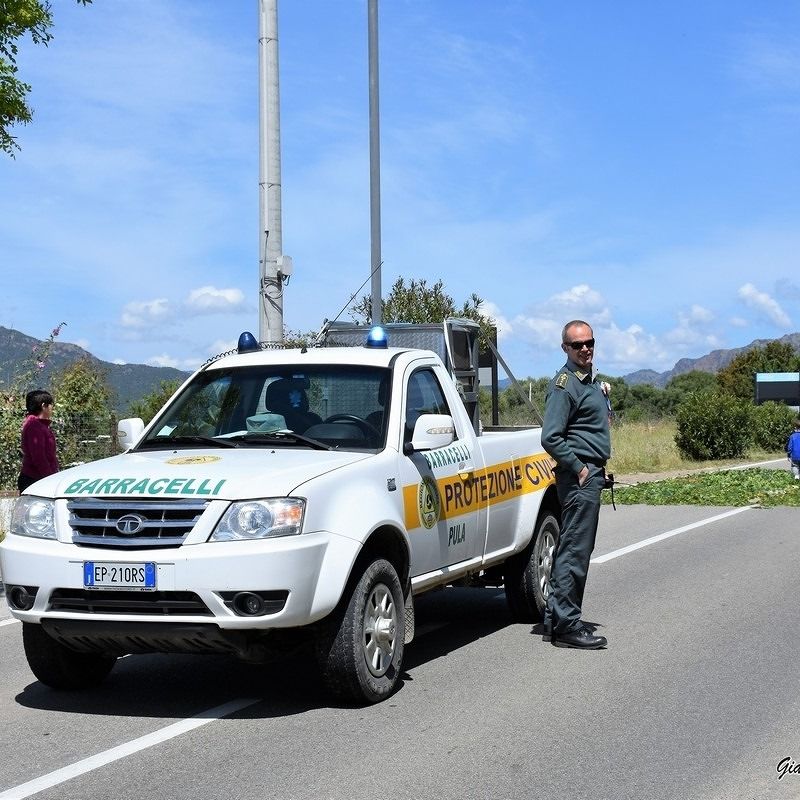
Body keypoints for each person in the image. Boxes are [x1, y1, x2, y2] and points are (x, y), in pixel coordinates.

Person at [541, 320, 611, 649]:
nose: (585, 348)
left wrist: (601, 392)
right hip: (579, 478)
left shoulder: (587, 382)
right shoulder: (565, 385)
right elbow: (551, 437)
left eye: (589, 342)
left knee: (575, 548)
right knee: (574, 551)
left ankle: (559, 617)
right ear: (565, 348)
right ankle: (567, 626)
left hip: (589, 474)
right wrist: (580, 468)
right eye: (577, 344)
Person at [18, 389, 59, 493]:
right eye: (50, 405)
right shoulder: (34, 426)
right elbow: (39, 457)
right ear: (43, 406)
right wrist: (50, 479)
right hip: (35, 479)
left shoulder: (39, 425)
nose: (52, 408)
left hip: (40, 478)